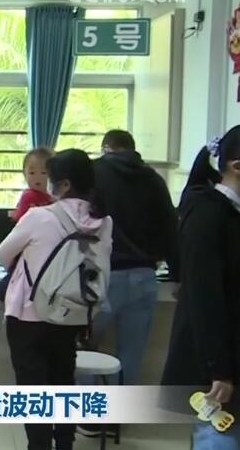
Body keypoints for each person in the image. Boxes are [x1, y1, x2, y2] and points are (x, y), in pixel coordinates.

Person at [0, 149, 112, 450]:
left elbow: (2, 255)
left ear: (64, 184)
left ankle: (39, 446)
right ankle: (64, 445)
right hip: (73, 314)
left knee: (33, 392)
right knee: (63, 383)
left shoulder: (39, 216)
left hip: (28, 314)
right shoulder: (104, 221)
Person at [161, 127, 240, 449]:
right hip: (215, 369)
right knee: (219, 437)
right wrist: (218, 369)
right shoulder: (207, 215)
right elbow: (205, 299)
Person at [85, 130, 178, 387]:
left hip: (101, 276)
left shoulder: (93, 173)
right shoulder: (154, 179)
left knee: (84, 347)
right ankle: (120, 408)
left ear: (106, 148)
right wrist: (178, 273)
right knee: (131, 354)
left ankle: (86, 407)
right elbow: (171, 228)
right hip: (144, 277)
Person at [0, 147, 54, 333]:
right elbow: (21, 219)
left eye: (44, 173)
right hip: (26, 245)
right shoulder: (29, 196)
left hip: (38, 248)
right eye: (32, 173)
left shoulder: (51, 197)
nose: (37, 177)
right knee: (14, 275)